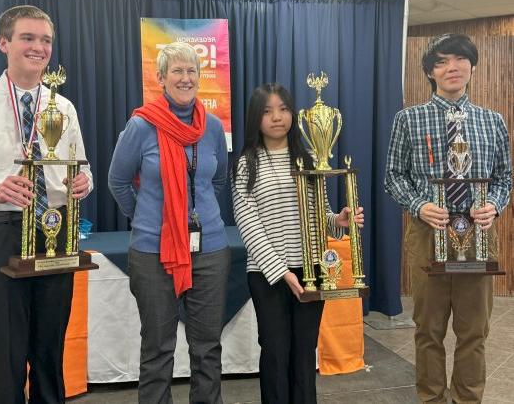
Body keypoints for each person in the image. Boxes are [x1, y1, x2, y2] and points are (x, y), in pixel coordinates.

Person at [0, 5, 93, 404]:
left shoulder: (63, 107)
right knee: (8, 346)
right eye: (28, 38)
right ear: (4, 43)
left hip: (55, 228)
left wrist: (83, 182)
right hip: (3, 229)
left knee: (49, 344)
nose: (38, 47)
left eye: (46, 40)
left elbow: (80, 164)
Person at [385, 34, 512, 403]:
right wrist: (418, 205)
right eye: (441, 61)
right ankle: (431, 399)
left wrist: (495, 204)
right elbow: (393, 175)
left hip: (477, 235)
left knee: (475, 331)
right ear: (430, 72)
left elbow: (504, 177)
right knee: (428, 329)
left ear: (471, 66)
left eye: (459, 59)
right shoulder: (408, 119)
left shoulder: (493, 122)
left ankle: (468, 398)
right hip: (428, 233)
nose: (451, 67)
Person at [108, 42, 230, 404]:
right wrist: (149, 218)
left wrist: (196, 218)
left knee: (207, 348)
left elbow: (218, 180)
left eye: (192, 70)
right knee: (158, 348)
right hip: (152, 250)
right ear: (161, 78)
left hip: (209, 249)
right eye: (177, 71)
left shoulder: (211, 126)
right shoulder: (141, 125)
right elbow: (118, 181)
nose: (186, 77)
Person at [231, 83, 364, 404]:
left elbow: (320, 213)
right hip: (268, 276)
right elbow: (248, 224)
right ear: (255, 118)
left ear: (293, 114)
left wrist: (339, 221)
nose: (277, 117)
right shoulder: (247, 164)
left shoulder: (305, 158)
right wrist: (280, 271)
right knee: (276, 350)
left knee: (305, 352)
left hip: (311, 270)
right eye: (267, 111)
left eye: (283, 109)